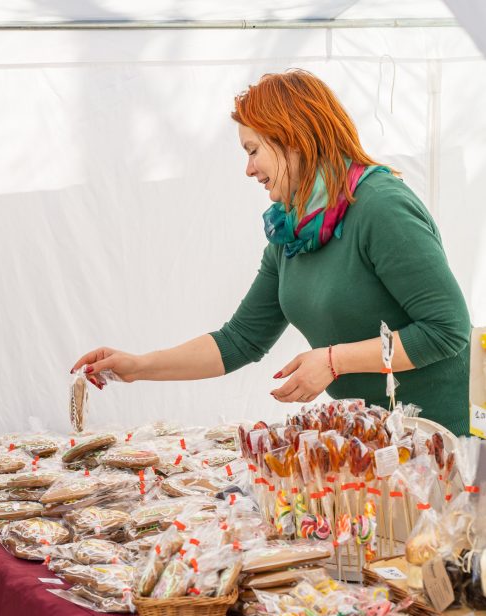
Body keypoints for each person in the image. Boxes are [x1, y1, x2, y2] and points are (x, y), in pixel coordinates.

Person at [73, 70, 470, 435]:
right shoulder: (292, 230)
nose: (248, 169)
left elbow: (446, 329)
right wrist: (139, 367)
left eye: (252, 150)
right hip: (374, 437)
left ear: (293, 140)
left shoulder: (380, 207)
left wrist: (334, 361)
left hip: (439, 437)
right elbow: (240, 340)